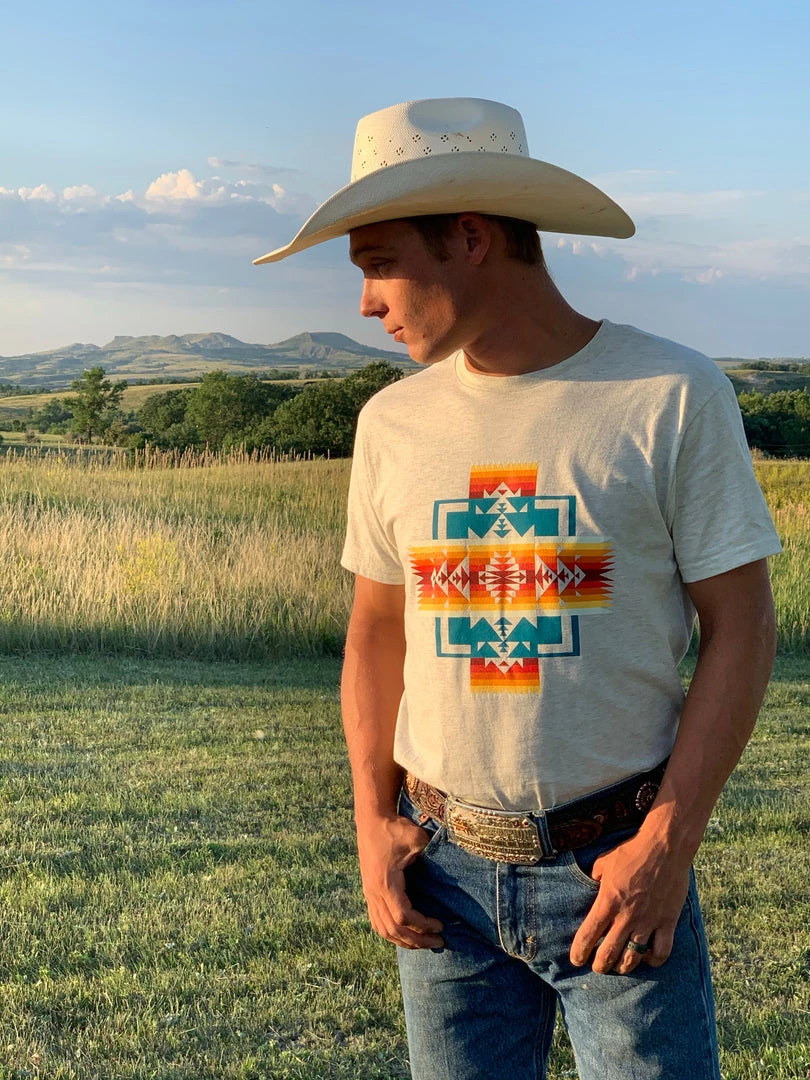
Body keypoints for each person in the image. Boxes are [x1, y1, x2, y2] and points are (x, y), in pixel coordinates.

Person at [254, 98, 782, 1080]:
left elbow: (744, 627)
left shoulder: (668, 395)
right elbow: (378, 631)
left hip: (615, 869)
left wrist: (666, 846)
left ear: (470, 237)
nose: (365, 303)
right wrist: (371, 821)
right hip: (442, 883)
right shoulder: (392, 424)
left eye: (378, 263)